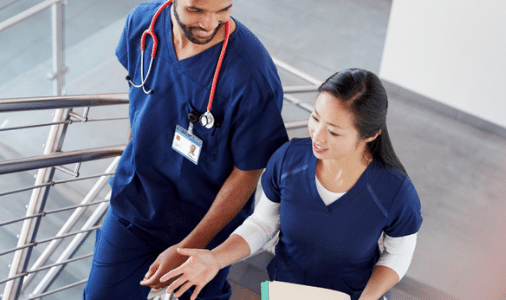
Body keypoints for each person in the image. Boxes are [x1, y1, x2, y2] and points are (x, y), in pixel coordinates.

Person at [82, 0, 288, 299]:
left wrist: (188, 247)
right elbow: (139, 93)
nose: (209, 23)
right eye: (196, 10)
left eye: (223, 11)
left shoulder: (251, 75)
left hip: (205, 222)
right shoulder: (144, 23)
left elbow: (247, 173)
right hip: (136, 202)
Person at [160, 69, 423, 300]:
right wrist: (216, 259)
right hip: (283, 290)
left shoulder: (394, 191)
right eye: (315, 117)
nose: (317, 135)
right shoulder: (288, 159)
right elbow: (263, 224)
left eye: (333, 131)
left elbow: (397, 254)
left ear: (371, 134)